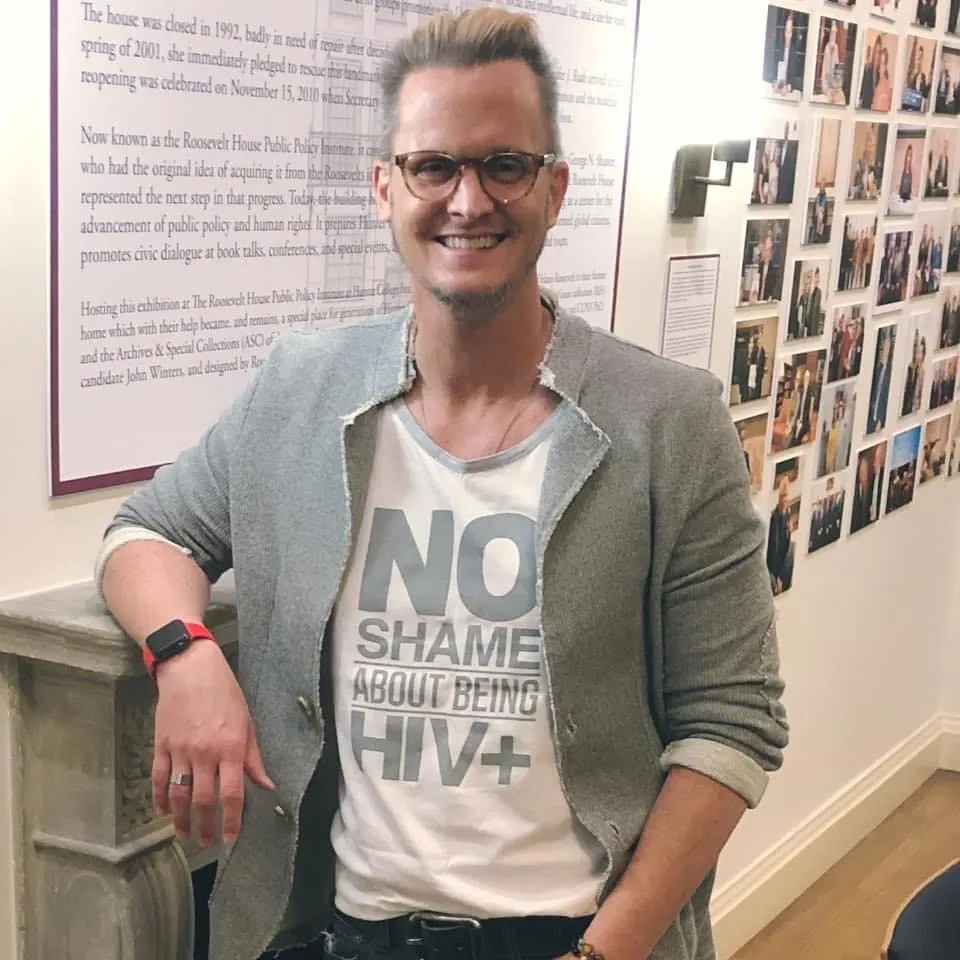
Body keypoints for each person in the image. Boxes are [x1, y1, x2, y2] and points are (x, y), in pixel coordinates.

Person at [93, 10, 789, 960]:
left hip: (571, 935)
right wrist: (185, 654)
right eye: (433, 166)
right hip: (348, 932)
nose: (469, 200)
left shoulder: (668, 421)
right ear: (386, 187)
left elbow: (732, 723)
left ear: (555, 189)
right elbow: (145, 535)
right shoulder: (302, 390)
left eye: (505, 165)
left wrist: (605, 951)